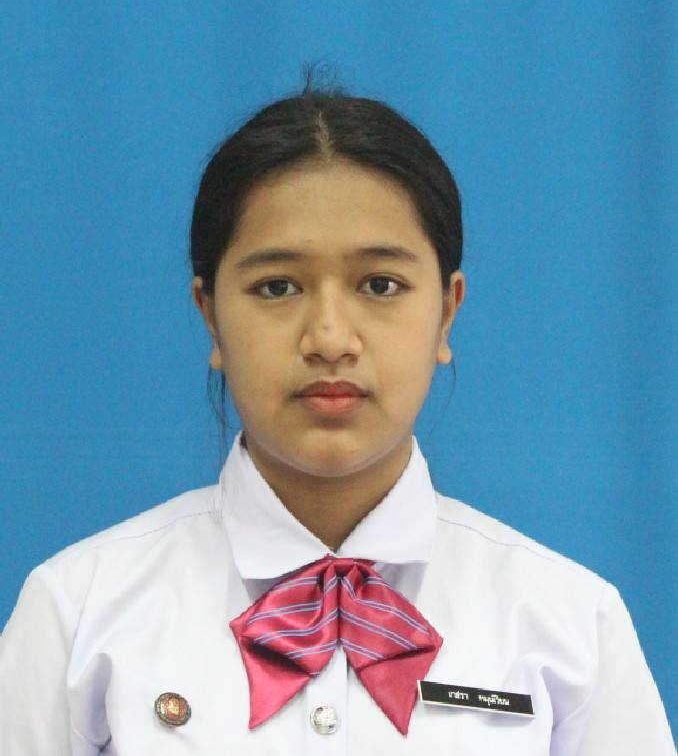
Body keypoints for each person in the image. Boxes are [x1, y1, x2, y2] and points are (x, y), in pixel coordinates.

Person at [0, 73, 674, 755]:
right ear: (210, 314)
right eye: (277, 287)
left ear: (447, 312)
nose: (328, 338)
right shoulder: (78, 614)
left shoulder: (569, 627)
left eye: (380, 284)